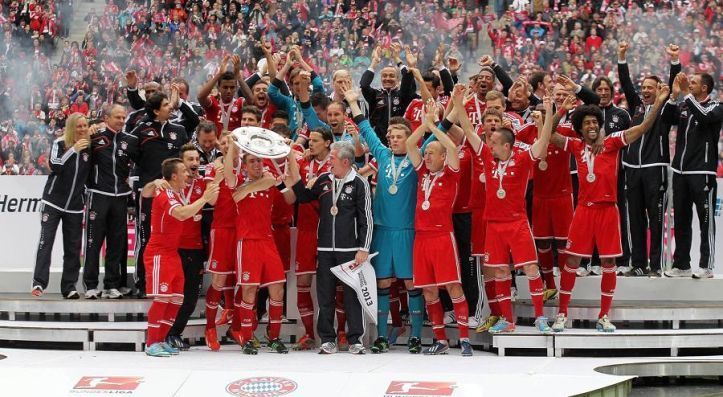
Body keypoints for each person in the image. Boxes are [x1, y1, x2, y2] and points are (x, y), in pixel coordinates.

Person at [551, 84, 670, 333]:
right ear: (580, 127)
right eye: (587, 123)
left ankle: (604, 316)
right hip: (583, 210)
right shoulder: (574, 145)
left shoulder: (613, 142)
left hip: (608, 211)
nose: (592, 126)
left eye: (595, 122)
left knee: (608, 263)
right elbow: (549, 135)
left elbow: (642, 128)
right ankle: (562, 313)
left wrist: (659, 102)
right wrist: (560, 109)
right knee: (571, 261)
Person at [344, 86, 424, 354]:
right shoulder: (381, 155)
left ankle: (414, 336)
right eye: (390, 136)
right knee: (383, 284)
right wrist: (353, 102)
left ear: (409, 138)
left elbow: (440, 132)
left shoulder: (417, 158)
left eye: (398, 136)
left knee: (412, 284)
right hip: (382, 231)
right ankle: (380, 336)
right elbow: (365, 128)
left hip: (407, 230)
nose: (392, 140)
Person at [471, 93, 555, 335]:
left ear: (506, 145)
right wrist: (457, 103)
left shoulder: (522, 159)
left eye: (494, 142)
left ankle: (540, 318)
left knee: (530, 268)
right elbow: (468, 132)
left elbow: (543, 141)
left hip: (517, 224)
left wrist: (549, 113)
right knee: (499, 272)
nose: (489, 145)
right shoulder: (487, 157)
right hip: (494, 225)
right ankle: (508, 321)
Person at [284, 140, 373, 355]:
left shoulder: (360, 184)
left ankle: (355, 340)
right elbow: (303, 197)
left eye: (332, 158)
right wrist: (291, 162)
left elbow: (366, 219)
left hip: (350, 251)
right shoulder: (324, 180)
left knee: (353, 296)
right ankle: (327, 339)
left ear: (345, 161)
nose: (328, 162)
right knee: (325, 296)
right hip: (324, 249)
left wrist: (363, 248)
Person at [405, 99, 472, 356]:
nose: (426, 156)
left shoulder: (451, 173)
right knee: (428, 290)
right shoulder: (423, 173)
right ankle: (441, 340)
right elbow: (411, 144)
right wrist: (424, 125)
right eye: (427, 154)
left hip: (443, 237)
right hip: (421, 238)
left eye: (431, 153)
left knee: (453, 286)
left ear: (443, 156)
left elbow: (452, 146)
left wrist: (434, 127)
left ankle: (464, 339)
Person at [140, 158, 218, 357]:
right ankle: (151, 343)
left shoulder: (177, 193)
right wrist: (204, 199)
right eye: (184, 170)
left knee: (176, 299)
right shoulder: (165, 194)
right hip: (159, 252)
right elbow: (182, 214)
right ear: (173, 176)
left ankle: (161, 339)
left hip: (172, 253)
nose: (188, 174)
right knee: (162, 298)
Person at [617, 42, 680, 277]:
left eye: (649, 87)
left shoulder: (664, 109)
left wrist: (674, 61)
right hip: (632, 169)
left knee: (655, 219)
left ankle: (656, 265)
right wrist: (622, 57)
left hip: (656, 169)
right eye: (643, 87)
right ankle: (639, 264)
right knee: (635, 219)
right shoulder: (636, 107)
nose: (644, 91)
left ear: (658, 90)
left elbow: (674, 87)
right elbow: (625, 84)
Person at [224, 137, 289, 355]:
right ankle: (247, 338)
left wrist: (284, 153)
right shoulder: (237, 183)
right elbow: (231, 179)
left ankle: (275, 337)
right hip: (248, 242)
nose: (257, 165)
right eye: (252, 161)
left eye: (260, 161)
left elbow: (290, 197)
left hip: (268, 241)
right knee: (249, 291)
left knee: (277, 289)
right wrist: (233, 145)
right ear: (244, 165)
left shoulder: (270, 182)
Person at [663, 72, 722, 279]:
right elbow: (667, 119)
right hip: (680, 172)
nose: (690, 84)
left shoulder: (716, 107)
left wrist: (686, 95)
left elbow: (704, 117)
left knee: (706, 222)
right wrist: (673, 97)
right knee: (681, 219)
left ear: (705, 88)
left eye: (694, 83)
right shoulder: (686, 105)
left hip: (702, 172)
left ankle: (707, 266)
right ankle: (682, 265)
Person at [131, 92, 189, 298]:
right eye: (166, 105)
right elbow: (129, 155)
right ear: (156, 110)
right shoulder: (141, 130)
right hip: (149, 194)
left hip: (173, 196)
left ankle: (166, 281)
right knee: (145, 236)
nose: (170, 107)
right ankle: (142, 282)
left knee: (172, 239)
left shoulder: (179, 130)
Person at [31, 113, 92, 299]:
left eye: (85, 126)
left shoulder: (90, 148)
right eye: (78, 126)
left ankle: (69, 286)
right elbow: (55, 165)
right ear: (71, 127)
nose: (82, 129)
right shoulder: (60, 143)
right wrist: (73, 149)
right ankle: (39, 283)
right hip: (52, 202)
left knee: (73, 248)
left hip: (74, 206)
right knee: (45, 242)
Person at [84, 104, 138, 299]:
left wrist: (130, 193)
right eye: (118, 117)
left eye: (124, 118)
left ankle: (111, 285)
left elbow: (138, 164)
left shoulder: (130, 141)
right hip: (98, 195)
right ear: (106, 118)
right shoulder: (93, 137)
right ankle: (90, 285)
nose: (122, 121)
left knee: (116, 244)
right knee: (93, 242)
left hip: (120, 198)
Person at [165, 144, 209, 351]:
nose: (194, 164)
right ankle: (164, 333)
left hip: (195, 248)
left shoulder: (203, 185)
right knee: (173, 294)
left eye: (197, 160)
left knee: (191, 296)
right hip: (173, 248)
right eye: (189, 160)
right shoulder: (169, 186)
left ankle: (175, 333)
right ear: (181, 163)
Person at [202, 130, 237, 351]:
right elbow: (212, 200)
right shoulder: (213, 167)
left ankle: (239, 325)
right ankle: (210, 328)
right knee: (219, 279)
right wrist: (218, 177)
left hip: (243, 229)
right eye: (224, 143)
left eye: (231, 142)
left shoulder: (245, 166)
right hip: (222, 228)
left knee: (243, 279)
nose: (227, 145)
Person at [360, 44, 416, 145]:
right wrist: (374, 63)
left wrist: (399, 61)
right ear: (380, 78)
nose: (387, 78)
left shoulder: (402, 94)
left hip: (400, 142)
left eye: (391, 76)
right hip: (378, 143)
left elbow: (408, 78)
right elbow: (363, 85)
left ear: (397, 79)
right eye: (384, 76)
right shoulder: (375, 95)